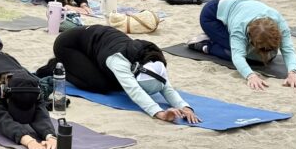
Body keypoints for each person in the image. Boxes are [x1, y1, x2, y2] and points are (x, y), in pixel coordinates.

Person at [37, 26, 200, 123]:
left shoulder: (153, 60)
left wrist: (184, 106)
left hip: (96, 50)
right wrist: (160, 113)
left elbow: (165, 85)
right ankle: (56, 65)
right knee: (101, 85)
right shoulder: (119, 61)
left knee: (114, 82)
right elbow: (134, 90)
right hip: (69, 45)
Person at [190, 0, 296, 91]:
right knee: (243, 55)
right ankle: (206, 44)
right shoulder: (239, 28)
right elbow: (238, 56)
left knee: (263, 58)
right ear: (250, 38)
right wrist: (251, 76)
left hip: (240, 4)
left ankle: (219, 37)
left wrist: (293, 73)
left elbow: (288, 49)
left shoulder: (280, 23)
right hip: (212, 16)